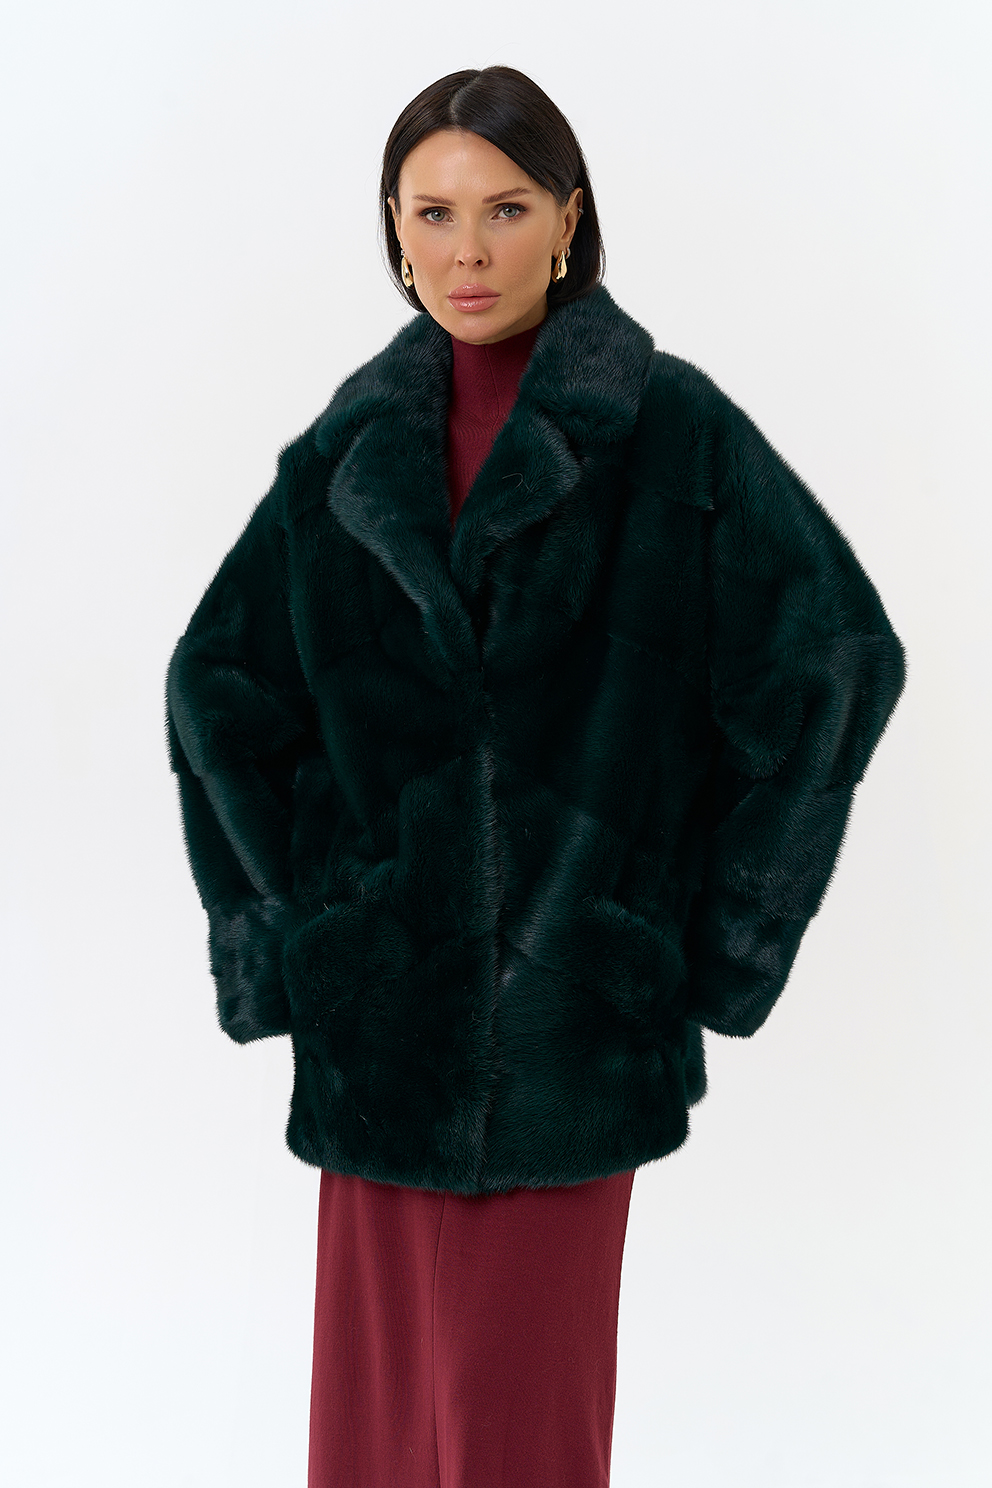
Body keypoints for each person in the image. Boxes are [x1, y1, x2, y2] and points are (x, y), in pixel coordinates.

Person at [165, 65, 905, 1488]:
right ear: (394, 229)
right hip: (384, 1047)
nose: (467, 250)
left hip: (571, 1038)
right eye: (431, 212)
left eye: (505, 209)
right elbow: (218, 689)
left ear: (568, 220)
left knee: (522, 1440)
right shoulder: (346, 455)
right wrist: (304, 937)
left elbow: (832, 662)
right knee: (374, 1441)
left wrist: (708, 942)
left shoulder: (671, 432)